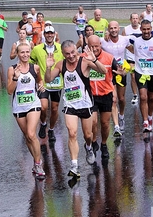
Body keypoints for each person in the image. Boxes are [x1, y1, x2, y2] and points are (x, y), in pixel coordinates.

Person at [44, 40, 107, 177]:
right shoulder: (61, 65)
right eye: (67, 54)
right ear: (63, 54)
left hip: (85, 104)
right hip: (70, 105)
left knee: (88, 135)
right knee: (72, 133)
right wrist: (48, 68)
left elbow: (104, 71)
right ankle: (74, 165)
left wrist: (95, 60)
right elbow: (48, 80)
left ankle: (89, 147)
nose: (71, 56)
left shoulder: (84, 61)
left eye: (73, 52)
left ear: (76, 50)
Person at [7, 43, 46, 179]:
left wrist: (41, 86)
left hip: (33, 104)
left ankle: (38, 163)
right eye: (22, 52)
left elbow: (40, 81)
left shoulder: (34, 68)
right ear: (17, 54)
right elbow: (9, 91)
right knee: (28, 137)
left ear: (30, 53)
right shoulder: (12, 69)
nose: (25, 55)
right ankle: (36, 163)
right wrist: (16, 77)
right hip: (19, 106)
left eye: (27, 52)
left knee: (31, 133)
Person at [128, 20, 153, 132]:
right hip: (140, 72)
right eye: (144, 29)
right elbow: (121, 40)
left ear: (151, 29)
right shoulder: (134, 38)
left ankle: (150, 117)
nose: (146, 31)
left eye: (148, 29)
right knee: (143, 96)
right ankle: (145, 122)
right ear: (141, 29)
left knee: (151, 98)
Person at [85, 35, 120, 160]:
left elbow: (118, 71)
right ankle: (94, 142)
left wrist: (123, 71)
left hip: (106, 94)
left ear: (100, 45)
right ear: (87, 46)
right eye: (91, 46)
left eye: (96, 46)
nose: (94, 49)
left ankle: (104, 144)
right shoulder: (83, 58)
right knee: (93, 122)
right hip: (91, 95)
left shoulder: (109, 58)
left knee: (105, 124)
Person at [30, 26, 63, 143]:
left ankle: (52, 129)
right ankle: (43, 123)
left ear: (54, 34)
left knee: (54, 109)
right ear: (44, 35)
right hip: (43, 84)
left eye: (51, 33)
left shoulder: (60, 48)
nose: (49, 35)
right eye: (47, 33)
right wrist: (35, 79)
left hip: (57, 84)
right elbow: (31, 64)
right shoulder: (37, 49)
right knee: (43, 107)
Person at [101, 21, 131, 136]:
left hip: (121, 71)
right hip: (109, 73)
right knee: (114, 100)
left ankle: (121, 115)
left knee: (121, 99)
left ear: (119, 29)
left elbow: (134, 48)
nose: (113, 30)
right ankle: (117, 126)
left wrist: (133, 63)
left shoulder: (124, 39)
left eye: (115, 28)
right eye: (111, 28)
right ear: (108, 29)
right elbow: (91, 43)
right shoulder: (103, 41)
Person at [122, 13, 141, 105]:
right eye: (133, 18)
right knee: (133, 76)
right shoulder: (126, 29)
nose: (135, 20)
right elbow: (122, 42)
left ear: (139, 19)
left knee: (141, 77)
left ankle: (144, 93)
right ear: (130, 19)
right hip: (130, 57)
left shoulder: (142, 29)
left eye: (136, 18)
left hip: (141, 57)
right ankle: (135, 94)